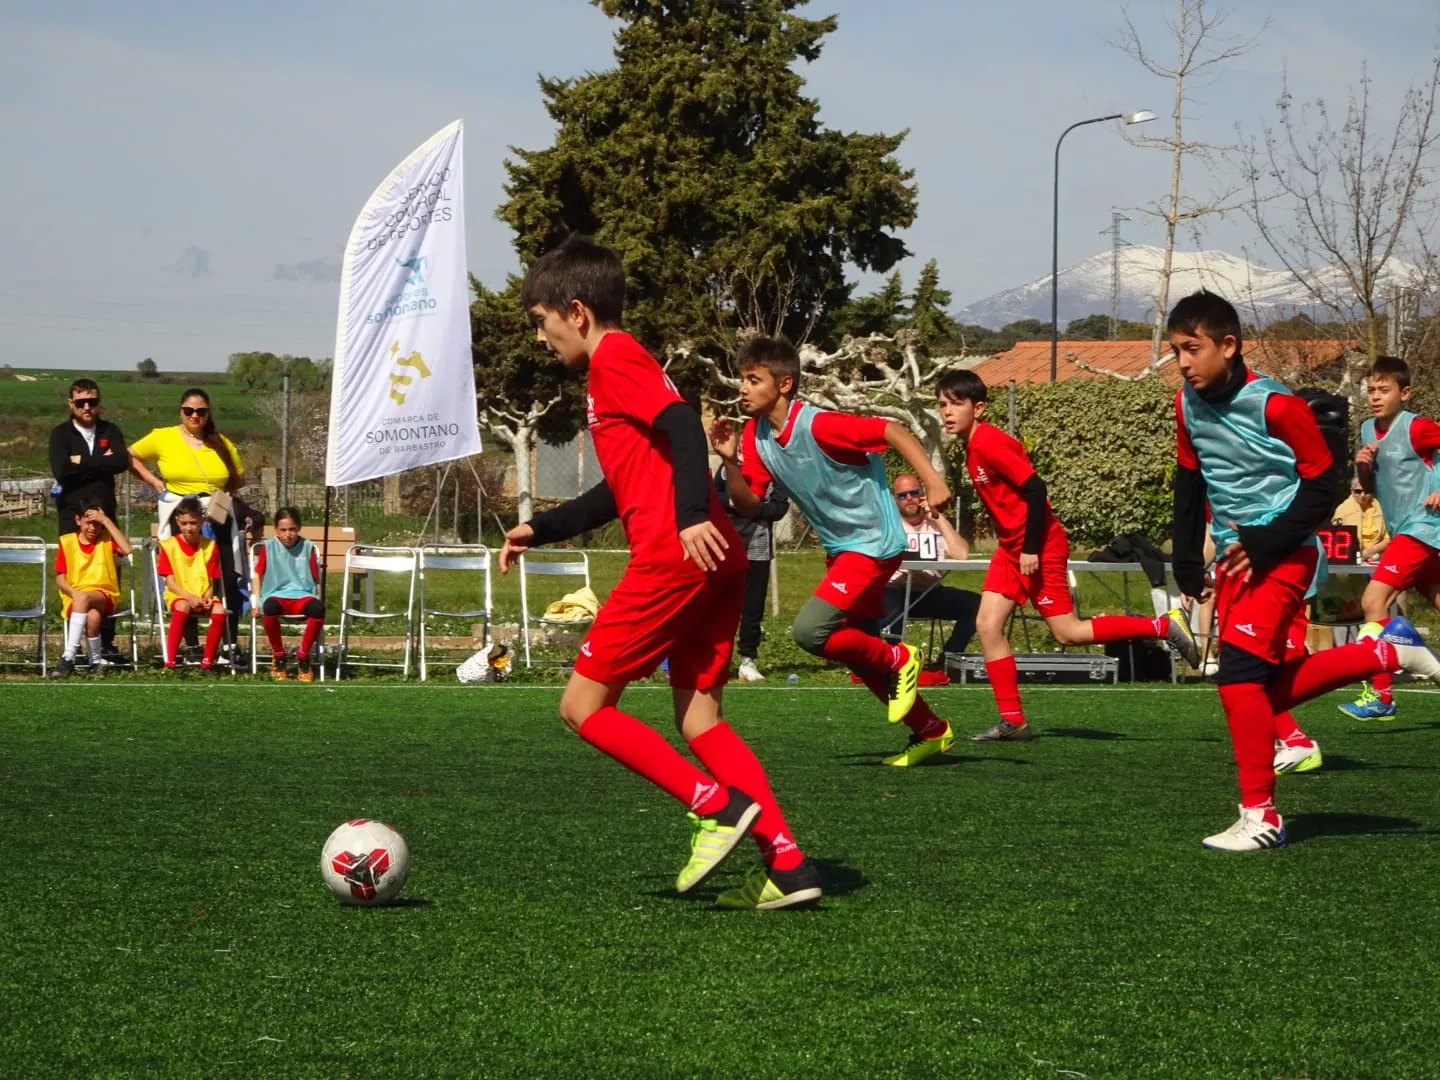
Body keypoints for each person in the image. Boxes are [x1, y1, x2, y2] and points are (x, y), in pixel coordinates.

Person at [499, 235, 820, 910]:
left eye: (540, 321)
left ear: (577, 312)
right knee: (702, 720)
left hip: (678, 556)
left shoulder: (613, 358)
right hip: (715, 557)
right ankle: (788, 864)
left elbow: (682, 427)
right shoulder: (622, 366)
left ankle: (713, 805)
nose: (540, 336)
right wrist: (541, 526)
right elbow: (621, 488)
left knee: (582, 707)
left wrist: (689, 515)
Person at [1168, 290, 1440, 850]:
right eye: (1176, 352)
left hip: (1285, 552)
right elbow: (1189, 479)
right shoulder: (1184, 404)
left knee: (1239, 677)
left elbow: (1323, 487)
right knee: (1252, 691)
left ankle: (1262, 817)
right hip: (1239, 556)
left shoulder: (1276, 404)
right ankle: (1387, 653)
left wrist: (1266, 541)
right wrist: (1187, 560)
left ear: (1228, 344)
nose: (1184, 363)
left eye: (1192, 349)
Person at [710, 336, 957, 768]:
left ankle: (903, 655)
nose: (742, 388)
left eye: (753, 379)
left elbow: (890, 429)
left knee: (810, 632)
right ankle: (932, 731)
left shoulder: (820, 425)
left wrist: (932, 480)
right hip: (842, 551)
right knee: (858, 655)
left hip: (874, 545)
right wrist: (729, 461)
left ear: (784, 384)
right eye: (742, 379)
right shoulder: (756, 433)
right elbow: (750, 504)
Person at [935, 369, 1200, 742]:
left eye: (956, 404)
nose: (947, 411)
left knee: (1069, 632)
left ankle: (1162, 625)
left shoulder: (989, 443)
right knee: (987, 625)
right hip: (1012, 550)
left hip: (1038, 547)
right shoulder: (972, 445)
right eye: (942, 404)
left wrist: (1029, 548)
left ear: (978, 408)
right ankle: (1013, 720)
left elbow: (1035, 488)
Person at [1339, 355, 1440, 721]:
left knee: (1373, 601)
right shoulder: (1367, 430)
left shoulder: (1418, 428)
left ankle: (1380, 695)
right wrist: (1364, 467)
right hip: (1407, 530)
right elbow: (1369, 489)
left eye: (1385, 389)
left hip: (1423, 527)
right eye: (1371, 390)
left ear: (1406, 393)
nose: (1376, 396)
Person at [128, 388, 247, 649]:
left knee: (225, 577)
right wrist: (155, 483)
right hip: (181, 515)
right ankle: (192, 646)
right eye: (189, 411)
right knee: (185, 579)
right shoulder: (163, 437)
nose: (195, 416)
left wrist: (220, 496)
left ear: (208, 413)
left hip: (217, 516)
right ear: (180, 411)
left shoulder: (221, 442)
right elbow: (130, 456)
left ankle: (229, 645)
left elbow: (238, 476)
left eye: (201, 411)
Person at [48, 378, 129, 658]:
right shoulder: (60, 434)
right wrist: (99, 460)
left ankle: (105, 642)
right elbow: (61, 470)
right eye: (80, 402)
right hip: (72, 516)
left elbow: (121, 462)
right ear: (71, 403)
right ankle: (77, 645)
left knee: (108, 576)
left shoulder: (111, 430)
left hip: (105, 516)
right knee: (75, 580)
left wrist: (81, 461)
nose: (86, 407)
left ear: (99, 403)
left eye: (92, 401)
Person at [880, 472, 981, 668]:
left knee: (976, 604)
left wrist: (938, 517)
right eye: (902, 495)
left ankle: (948, 658)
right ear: (895, 500)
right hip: (896, 591)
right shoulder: (889, 526)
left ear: (922, 495)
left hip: (929, 592)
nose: (909, 498)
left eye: (913, 493)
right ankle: (900, 659)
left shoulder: (934, 524)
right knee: (887, 597)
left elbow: (961, 554)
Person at [713, 457, 789, 681]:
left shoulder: (774, 469)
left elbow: (779, 507)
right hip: (725, 544)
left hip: (757, 547)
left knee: (752, 606)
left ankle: (748, 660)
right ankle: (718, 659)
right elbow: (714, 497)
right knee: (719, 606)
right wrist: (734, 503)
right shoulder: (729, 468)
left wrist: (752, 506)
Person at [52, 497, 132, 678]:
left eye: (97, 524)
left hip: (105, 594)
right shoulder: (67, 542)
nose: (93, 528)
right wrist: (73, 592)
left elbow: (127, 549)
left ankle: (68, 655)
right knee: (93, 617)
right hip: (76, 595)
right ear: (78, 520)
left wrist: (106, 521)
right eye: (89, 523)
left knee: (84, 598)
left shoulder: (106, 539)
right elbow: (60, 577)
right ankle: (95, 661)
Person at [156, 496, 227, 671]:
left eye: (193, 523)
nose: (189, 528)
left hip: (203, 594)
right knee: (182, 607)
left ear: (202, 521)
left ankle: (207, 662)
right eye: (184, 523)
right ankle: (170, 661)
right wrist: (189, 596)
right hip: (179, 594)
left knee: (220, 611)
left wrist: (208, 597)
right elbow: (170, 582)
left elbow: (211, 580)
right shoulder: (168, 546)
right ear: (177, 521)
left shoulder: (210, 546)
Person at [254, 507, 324, 682]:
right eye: (283, 530)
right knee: (270, 607)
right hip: (276, 594)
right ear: (275, 529)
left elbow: (316, 580)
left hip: (302, 594)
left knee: (317, 609)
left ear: (299, 528)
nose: (288, 534)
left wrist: (318, 598)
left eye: (292, 529)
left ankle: (303, 656)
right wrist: (256, 601)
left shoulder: (308, 547)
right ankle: (279, 655)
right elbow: (257, 574)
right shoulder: (268, 547)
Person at [1331, 477, 1389, 564]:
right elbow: (1334, 537)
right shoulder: (1343, 509)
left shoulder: (1382, 508)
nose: (1362, 495)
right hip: (1350, 557)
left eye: (1366, 491)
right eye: (1358, 491)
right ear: (1351, 491)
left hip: (1379, 555)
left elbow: (1390, 537)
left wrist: (1372, 550)